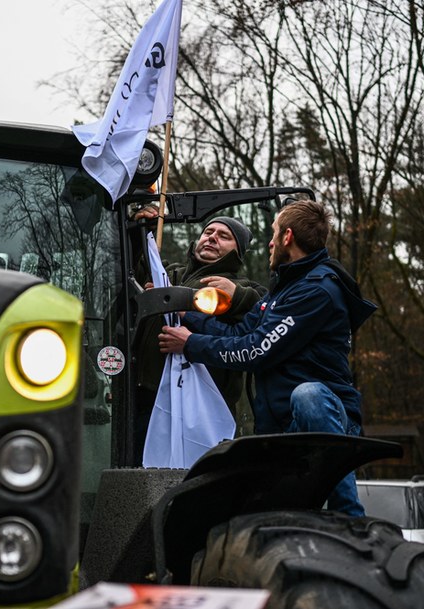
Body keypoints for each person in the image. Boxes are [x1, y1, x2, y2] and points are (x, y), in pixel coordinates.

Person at [157, 199, 376, 516]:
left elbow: (255, 349)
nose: (270, 243)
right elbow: (236, 336)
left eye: (274, 234)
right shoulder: (283, 291)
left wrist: (190, 344)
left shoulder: (318, 290)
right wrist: (188, 312)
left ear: (287, 238)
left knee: (309, 394)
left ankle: (349, 515)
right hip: (278, 429)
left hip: (319, 420)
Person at [133, 210, 266, 462]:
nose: (212, 237)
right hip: (147, 400)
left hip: (203, 410)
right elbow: (128, 267)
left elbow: (257, 320)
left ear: (238, 252)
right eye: (208, 232)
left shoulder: (246, 289)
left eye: (224, 236)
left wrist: (236, 295)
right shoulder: (166, 273)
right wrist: (141, 228)